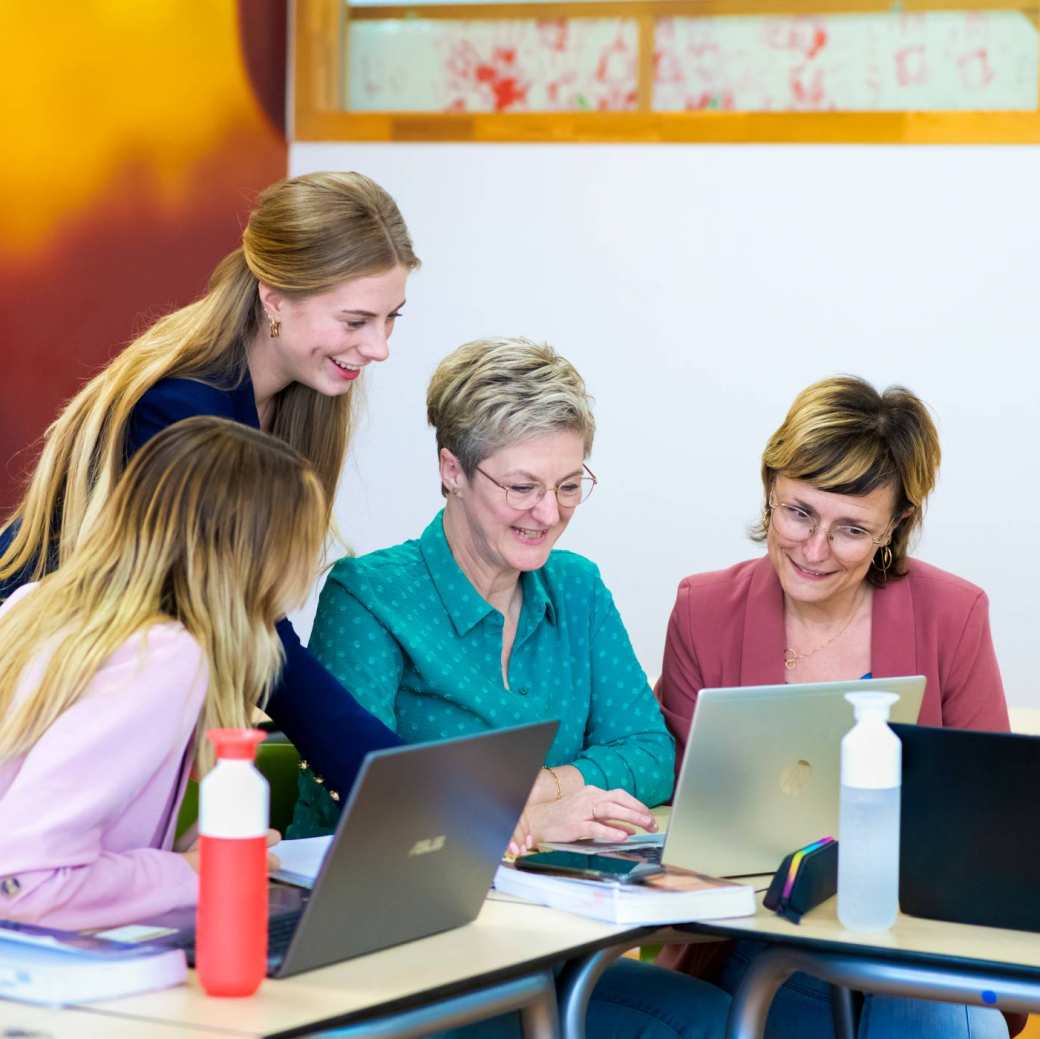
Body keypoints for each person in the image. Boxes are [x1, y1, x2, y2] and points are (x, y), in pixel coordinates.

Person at [291, 337, 732, 1039]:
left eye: (568, 485)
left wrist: (542, 789)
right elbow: (370, 805)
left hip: (545, 942)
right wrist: (522, 820)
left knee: (710, 1015)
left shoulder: (577, 586)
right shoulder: (370, 595)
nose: (548, 513)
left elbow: (651, 750)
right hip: (398, 955)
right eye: (522, 486)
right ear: (452, 470)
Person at [0, 171, 420, 801]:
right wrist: (397, 781)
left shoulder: (299, 398)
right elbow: (249, 623)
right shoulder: (184, 407)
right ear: (274, 297)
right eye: (357, 320)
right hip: (35, 703)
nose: (379, 347)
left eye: (391, 319)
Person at [656, 375, 1014, 1039]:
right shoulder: (704, 610)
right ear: (770, 486)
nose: (814, 551)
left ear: (895, 525)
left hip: (914, 936)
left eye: (851, 528)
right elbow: (673, 802)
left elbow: (990, 822)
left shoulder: (952, 614)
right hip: (758, 940)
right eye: (799, 513)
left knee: (939, 1021)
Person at [0, 417, 325, 930]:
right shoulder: (164, 655)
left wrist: (193, 846)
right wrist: (196, 873)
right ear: (248, 556)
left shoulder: (34, 605)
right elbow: (27, 882)